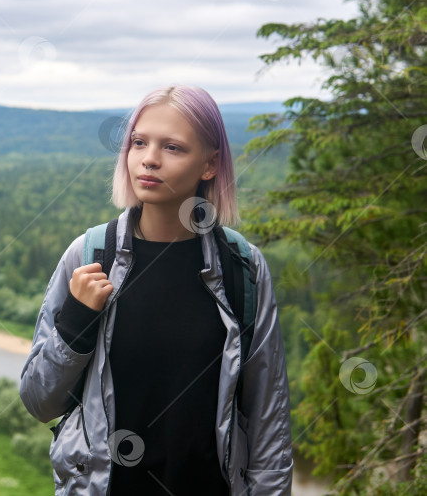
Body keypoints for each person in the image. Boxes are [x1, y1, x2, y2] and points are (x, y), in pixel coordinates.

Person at [19, 85, 293, 495]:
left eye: (173, 147)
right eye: (138, 142)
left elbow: (267, 419)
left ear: (210, 165)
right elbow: (39, 402)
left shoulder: (243, 268)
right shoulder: (90, 256)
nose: (149, 159)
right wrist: (76, 321)